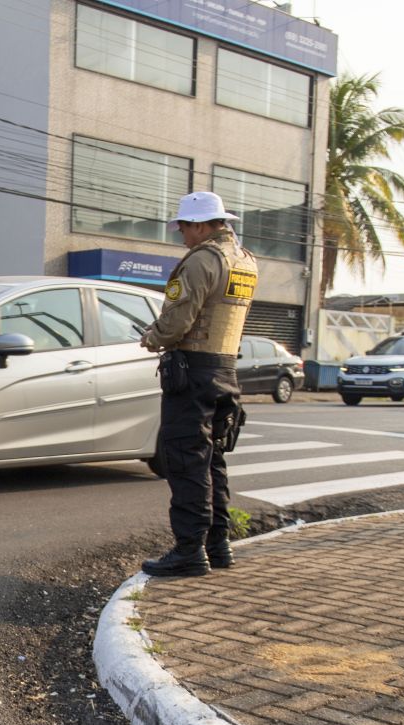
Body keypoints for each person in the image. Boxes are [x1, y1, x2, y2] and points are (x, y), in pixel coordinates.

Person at [139, 190, 258, 578]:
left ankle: (189, 551)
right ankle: (217, 545)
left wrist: (152, 337)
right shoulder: (244, 261)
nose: (182, 236)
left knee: (187, 461)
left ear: (202, 225)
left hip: (191, 370)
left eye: (185, 228)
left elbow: (178, 320)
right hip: (226, 370)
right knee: (214, 460)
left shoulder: (203, 260)